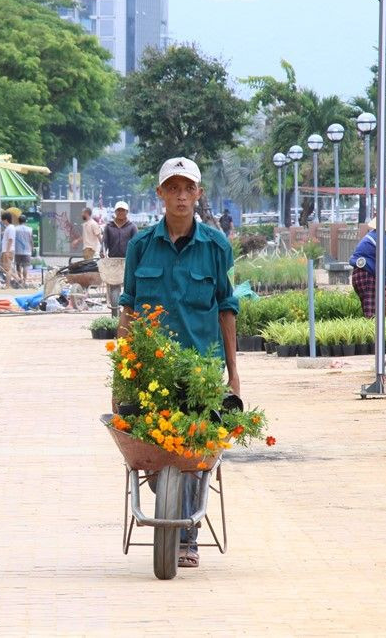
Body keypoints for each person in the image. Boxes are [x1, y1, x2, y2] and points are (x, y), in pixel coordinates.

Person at [119, 156, 240, 570]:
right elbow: (129, 311)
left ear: (199, 194)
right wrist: (123, 372)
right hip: (152, 372)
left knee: (190, 453)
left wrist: (233, 375)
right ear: (161, 195)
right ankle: (171, 506)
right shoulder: (140, 246)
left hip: (202, 371)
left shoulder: (216, 247)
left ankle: (187, 535)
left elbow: (226, 308)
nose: (182, 196)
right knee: (156, 457)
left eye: (188, 188)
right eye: (173, 188)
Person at [348, 208, 386, 318]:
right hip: (367, 277)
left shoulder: (374, 235)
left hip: (359, 275)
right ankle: (373, 335)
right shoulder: (382, 238)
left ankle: (373, 333)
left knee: (370, 310)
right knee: (372, 315)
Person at [14, 214, 33, 286]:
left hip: (17, 250)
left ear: (18, 221)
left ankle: (20, 279)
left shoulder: (15, 229)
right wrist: (32, 247)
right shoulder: (29, 229)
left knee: (18, 265)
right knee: (25, 266)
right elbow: (31, 240)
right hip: (27, 250)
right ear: (25, 221)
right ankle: (24, 281)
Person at [0, 211, 17, 286]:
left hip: (8, 250)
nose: (2, 221)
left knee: (8, 269)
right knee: (5, 268)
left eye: (3, 220)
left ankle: (8, 285)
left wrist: (7, 251)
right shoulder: (9, 228)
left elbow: (10, 240)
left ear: (6, 220)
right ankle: (18, 279)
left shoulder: (11, 228)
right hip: (6, 250)